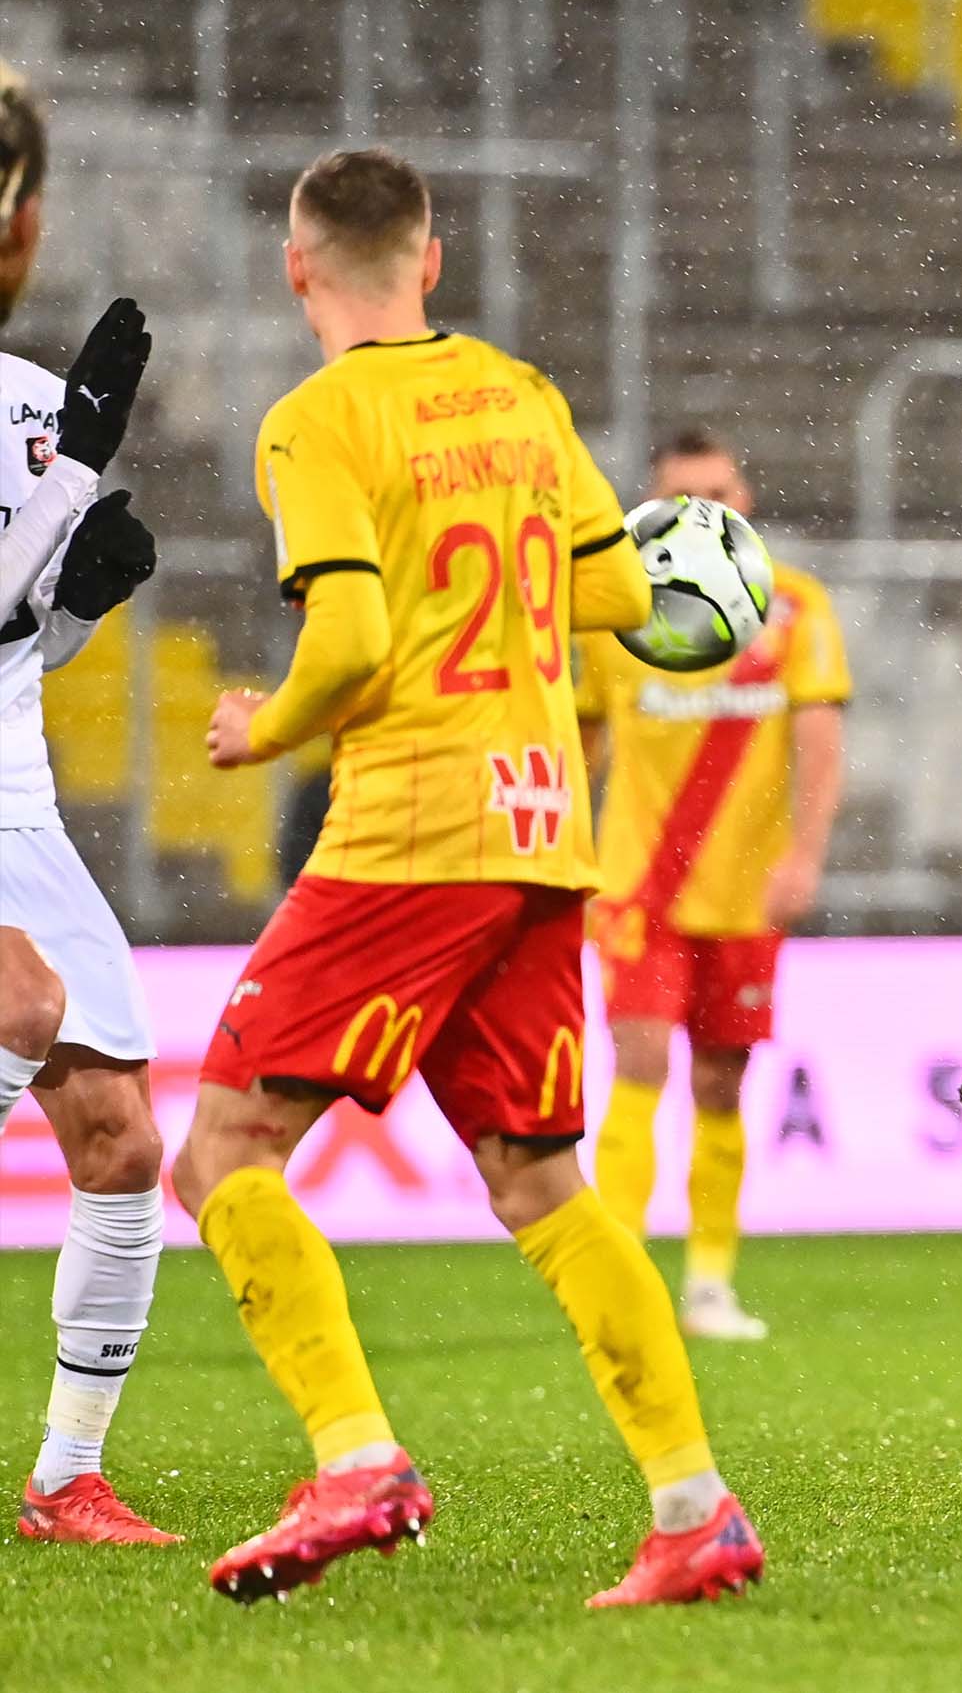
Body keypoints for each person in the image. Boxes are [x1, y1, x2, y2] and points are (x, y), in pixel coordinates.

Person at [177, 147, 764, 1607]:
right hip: (543, 820)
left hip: (412, 827)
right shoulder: (522, 393)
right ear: (430, 261)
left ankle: (355, 1455)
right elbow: (623, 596)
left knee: (226, 1148)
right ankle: (693, 1506)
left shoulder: (317, 422)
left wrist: (268, 727)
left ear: (298, 268)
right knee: (539, 1176)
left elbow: (357, 644)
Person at [0, 64, 175, 1547]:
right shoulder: (66, 435)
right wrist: (73, 493)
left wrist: (84, 603)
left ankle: (66, 1479)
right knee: (18, 1004)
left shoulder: (36, 409)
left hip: (18, 798)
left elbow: (22, 630)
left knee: (120, 1139)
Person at [579, 426, 848, 1342]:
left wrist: (804, 856)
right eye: (689, 497)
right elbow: (582, 745)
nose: (712, 512)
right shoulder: (615, 611)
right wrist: (564, 856)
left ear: (748, 498)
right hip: (637, 888)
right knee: (642, 1062)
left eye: (724, 494)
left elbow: (819, 742)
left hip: (743, 891)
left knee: (723, 1086)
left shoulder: (796, 609)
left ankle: (708, 1284)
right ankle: (616, 1285)